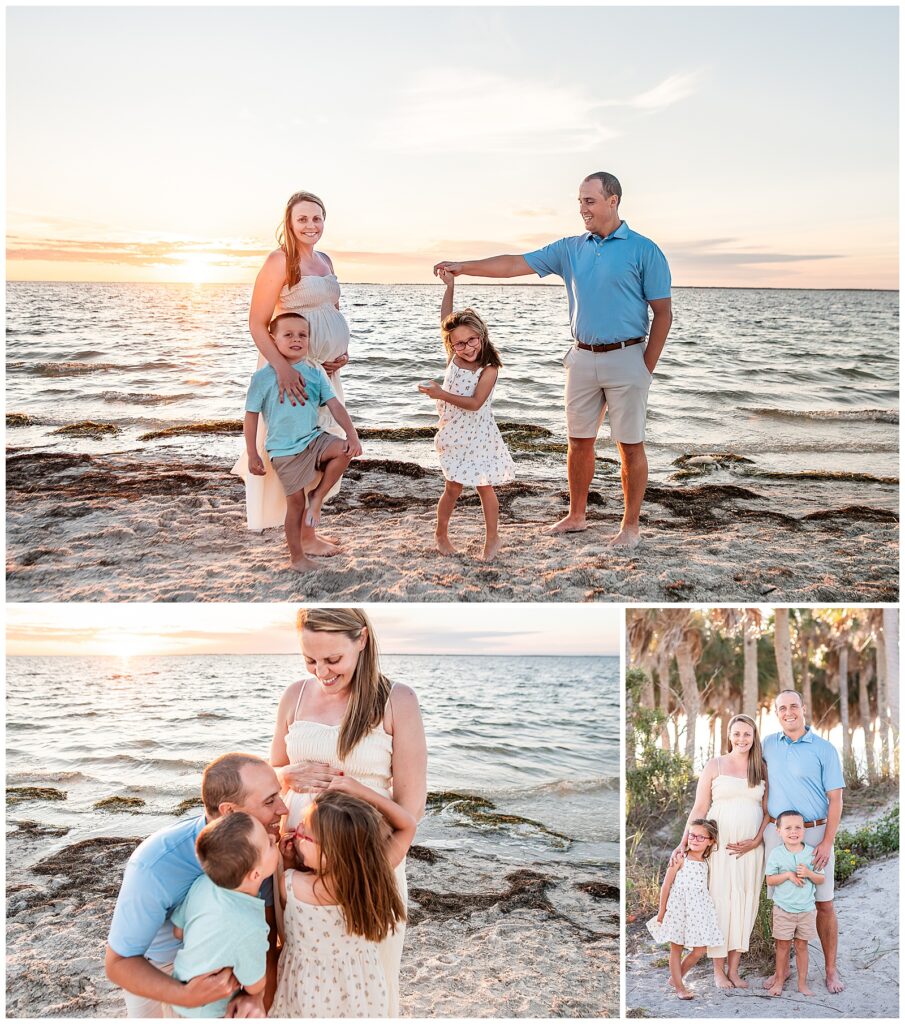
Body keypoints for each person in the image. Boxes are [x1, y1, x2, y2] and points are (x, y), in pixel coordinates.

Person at [433, 171, 672, 548]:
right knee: (578, 442)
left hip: (629, 357)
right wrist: (464, 267)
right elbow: (514, 264)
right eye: (579, 201)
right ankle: (577, 515)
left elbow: (663, 313)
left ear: (613, 201)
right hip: (580, 357)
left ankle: (629, 527)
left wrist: (645, 367)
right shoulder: (570, 248)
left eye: (589, 201)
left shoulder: (645, 250)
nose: (582, 209)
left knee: (630, 445)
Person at [270, 607, 427, 1016]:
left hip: (365, 867)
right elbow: (267, 778)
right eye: (310, 660)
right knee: (301, 978)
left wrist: (357, 794)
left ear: (362, 639)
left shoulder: (397, 700)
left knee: (370, 982)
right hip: (298, 861)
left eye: (333, 659)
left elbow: (411, 808)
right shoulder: (294, 696)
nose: (321, 671)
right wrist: (287, 774)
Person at [105, 753, 288, 1018]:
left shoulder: (261, 848)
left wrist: (256, 996)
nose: (284, 809)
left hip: (233, 964)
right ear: (230, 812)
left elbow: (265, 930)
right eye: (270, 801)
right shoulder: (154, 865)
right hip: (159, 969)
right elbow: (118, 963)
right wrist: (185, 996)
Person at [233, 190, 351, 548]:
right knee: (301, 448)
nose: (310, 225)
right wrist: (283, 370)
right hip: (293, 376)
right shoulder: (278, 261)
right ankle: (304, 536)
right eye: (302, 219)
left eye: (317, 218)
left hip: (323, 373)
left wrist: (338, 354)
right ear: (290, 222)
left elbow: (331, 309)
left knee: (324, 441)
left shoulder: (325, 260)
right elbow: (257, 323)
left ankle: (308, 532)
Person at [270, 778, 416, 1017]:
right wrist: (364, 792)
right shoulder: (373, 879)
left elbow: (287, 933)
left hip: (307, 993)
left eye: (302, 833)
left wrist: (285, 863)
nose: (295, 836)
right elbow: (408, 825)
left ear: (329, 851)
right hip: (363, 990)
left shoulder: (291, 885)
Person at [244, 312, 362, 572]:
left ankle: (317, 496)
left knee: (344, 450)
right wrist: (252, 453)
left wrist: (352, 434)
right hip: (284, 450)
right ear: (273, 340)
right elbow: (251, 416)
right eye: (288, 335)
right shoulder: (263, 378)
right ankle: (297, 558)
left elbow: (334, 405)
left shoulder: (314, 371)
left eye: (302, 335)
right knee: (295, 505)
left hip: (313, 438)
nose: (296, 339)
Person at [417, 268, 515, 561]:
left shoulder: (489, 369)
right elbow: (446, 317)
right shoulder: (454, 358)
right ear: (452, 345)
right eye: (460, 343)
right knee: (453, 487)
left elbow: (474, 403)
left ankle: (492, 540)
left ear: (482, 335)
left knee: (485, 486)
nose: (468, 347)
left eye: (473, 340)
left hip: (480, 434)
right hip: (453, 433)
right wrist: (450, 285)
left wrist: (440, 393)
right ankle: (441, 535)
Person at [671, 713, 769, 989]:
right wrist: (684, 842)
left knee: (745, 904)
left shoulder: (760, 767)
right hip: (719, 847)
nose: (741, 739)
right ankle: (717, 970)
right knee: (719, 903)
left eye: (747, 734)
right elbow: (700, 808)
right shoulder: (715, 765)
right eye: (736, 734)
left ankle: (735, 970)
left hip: (750, 850)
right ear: (729, 736)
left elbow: (766, 813)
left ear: (754, 737)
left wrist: (755, 840)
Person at [761, 689, 845, 994]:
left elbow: (835, 800)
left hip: (815, 833)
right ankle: (780, 972)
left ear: (804, 708)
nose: (788, 712)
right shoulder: (768, 744)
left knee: (824, 903)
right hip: (778, 835)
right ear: (776, 713)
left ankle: (831, 971)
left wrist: (826, 841)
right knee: (781, 903)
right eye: (782, 708)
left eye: (793, 706)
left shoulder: (824, 749)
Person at [171, 813, 279, 1018]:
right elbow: (255, 985)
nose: (274, 838)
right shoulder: (249, 924)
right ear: (256, 874)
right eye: (269, 843)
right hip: (213, 1011)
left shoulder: (203, 883)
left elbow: (178, 931)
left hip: (179, 997)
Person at [647, 819, 724, 1000]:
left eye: (700, 837)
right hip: (678, 908)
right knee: (676, 948)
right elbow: (666, 886)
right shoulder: (680, 858)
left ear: (710, 840)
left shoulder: (707, 861)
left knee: (699, 950)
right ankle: (680, 987)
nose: (694, 839)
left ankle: (675, 978)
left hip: (699, 910)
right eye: (691, 835)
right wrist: (661, 911)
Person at [764, 809, 825, 998]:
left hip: (806, 910)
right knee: (782, 947)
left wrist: (808, 873)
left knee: (801, 946)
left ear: (804, 830)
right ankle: (780, 981)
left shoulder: (810, 853)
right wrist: (788, 875)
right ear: (779, 831)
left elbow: (820, 879)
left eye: (798, 827)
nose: (793, 831)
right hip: (783, 909)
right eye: (788, 828)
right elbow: (770, 880)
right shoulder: (776, 854)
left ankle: (802, 984)